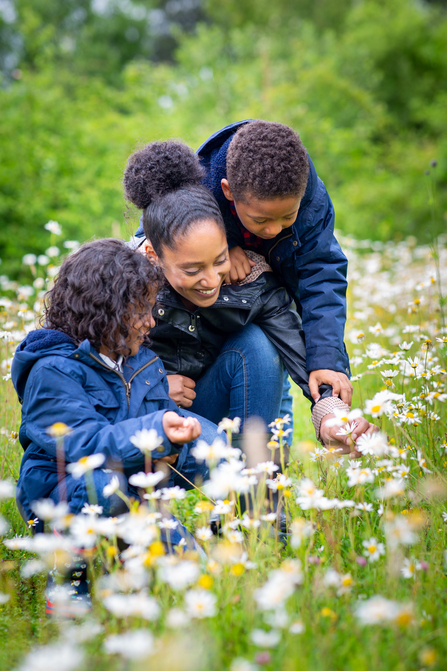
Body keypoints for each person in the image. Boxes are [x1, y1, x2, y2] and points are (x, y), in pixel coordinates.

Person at [11, 239, 220, 615]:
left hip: (133, 493)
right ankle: (67, 577)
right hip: (66, 494)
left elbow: (162, 430)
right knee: (104, 484)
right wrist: (158, 431)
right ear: (105, 310)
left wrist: (185, 445)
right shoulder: (52, 371)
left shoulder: (143, 362)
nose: (151, 322)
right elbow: (88, 444)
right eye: (140, 310)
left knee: (197, 570)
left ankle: (123, 552)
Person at [124, 140, 372, 448]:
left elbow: (318, 283)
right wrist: (152, 387)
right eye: (193, 270)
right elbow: (82, 371)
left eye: (220, 261)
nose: (211, 280)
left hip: (205, 408)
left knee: (259, 342)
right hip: (136, 427)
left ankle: (257, 486)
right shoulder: (122, 290)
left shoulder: (251, 279)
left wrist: (331, 413)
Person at [195, 119, 353, 408]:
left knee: (277, 387)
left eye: (287, 217)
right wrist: (222, 247)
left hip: (275, 305)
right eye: (261, 219)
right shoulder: (193, 190)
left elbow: (322, 275)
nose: (273, 230)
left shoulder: (310, 199)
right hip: (210, 323)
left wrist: (327, 360)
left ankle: (275, 449)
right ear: (229, 191)